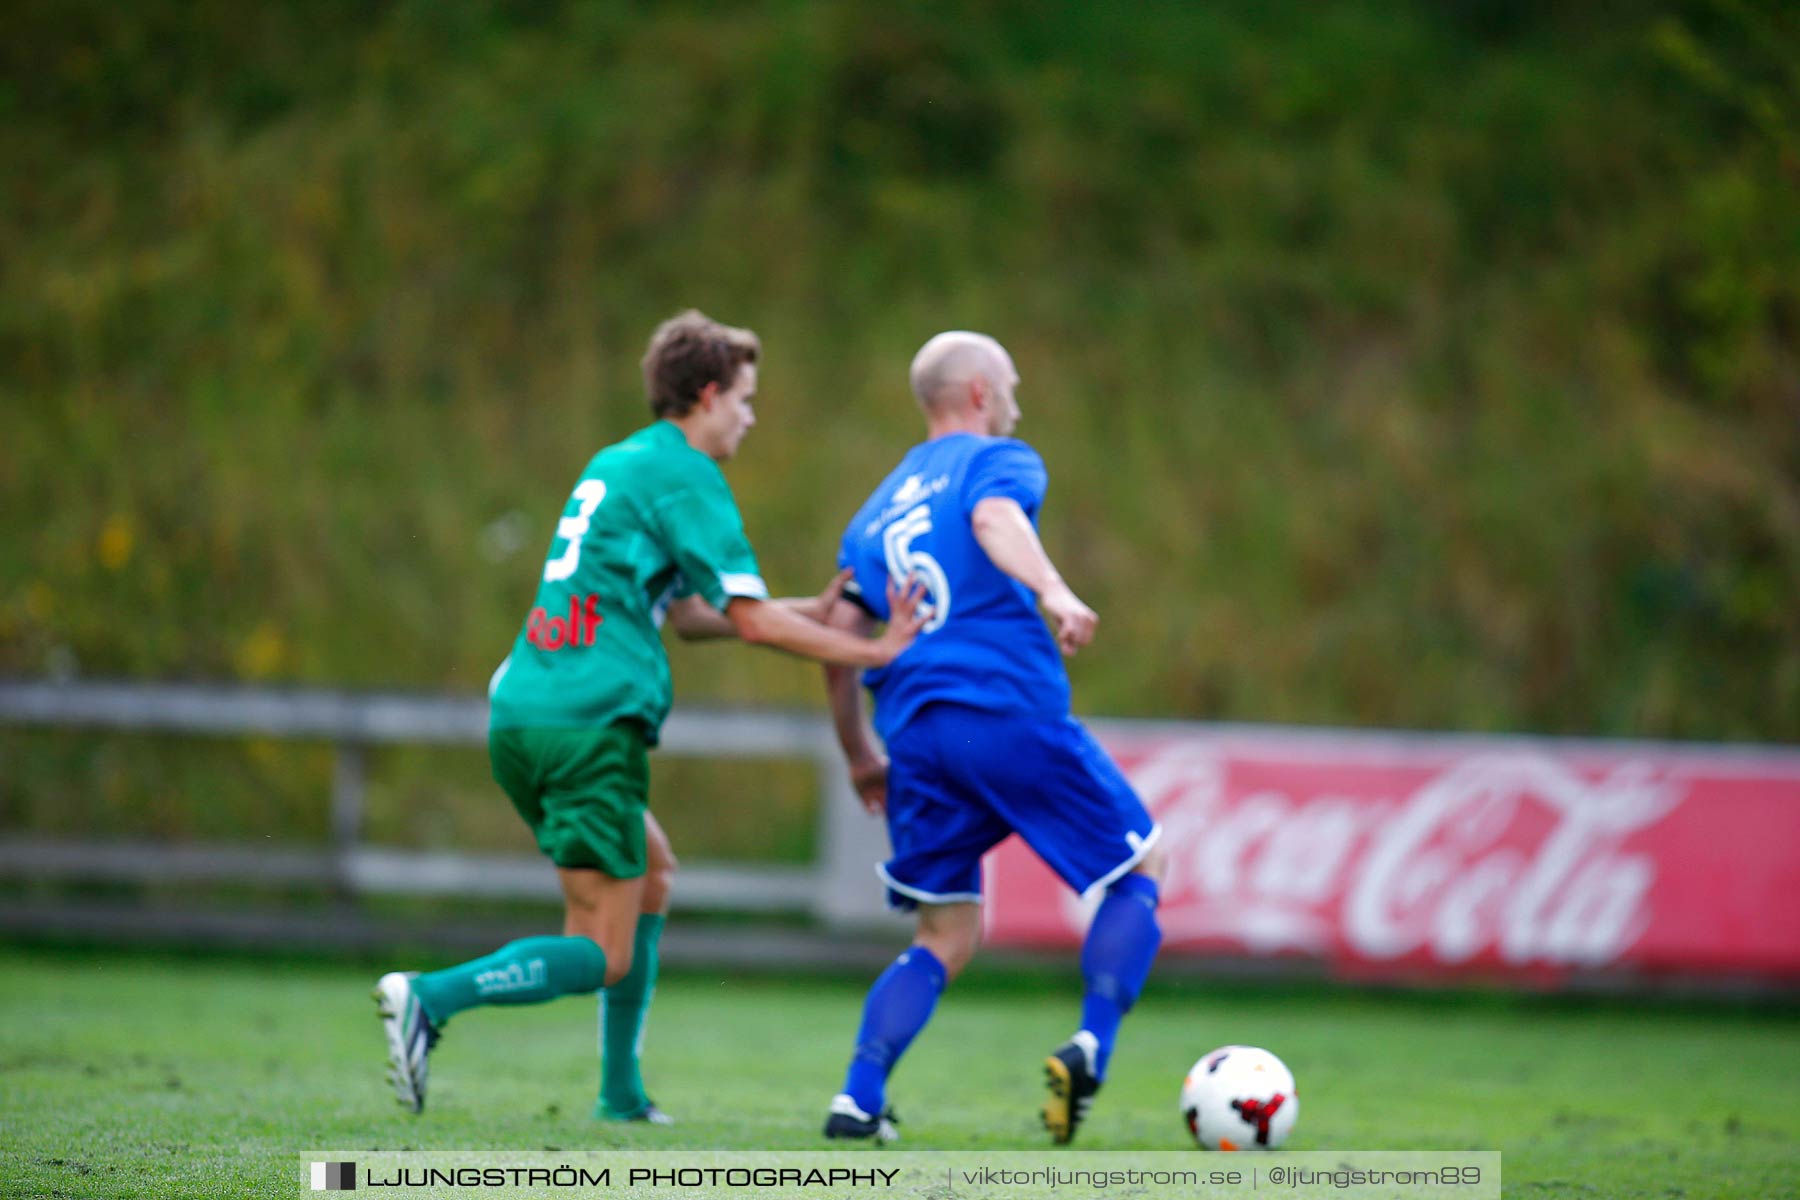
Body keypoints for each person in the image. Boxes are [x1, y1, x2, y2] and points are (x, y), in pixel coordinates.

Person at [374, 310, 926, 1122]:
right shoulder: (687, 476)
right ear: (707, 394)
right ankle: (429, 996)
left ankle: (622, 1095)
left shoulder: (621, 463)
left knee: (651, 873)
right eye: (744, 397)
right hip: (590, 727)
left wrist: (809, 606)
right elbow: (748, 622)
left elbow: (693, 613)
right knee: (600, 950)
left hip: (529, 713)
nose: (751, 415)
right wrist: (879, 654)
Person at [817, 331, 1165, 1145]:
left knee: (944, 932)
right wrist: (1054, 590)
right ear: (977, 392)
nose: (1017, 400)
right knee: (1140, 865)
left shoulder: (875, 510)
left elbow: (837, 630)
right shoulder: (993, 462)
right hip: (1002, 708)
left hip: (914, 735)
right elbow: (994, 518)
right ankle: (1091, 1045)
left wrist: (858, 752)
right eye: (1009, 384)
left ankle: (858, 1098)